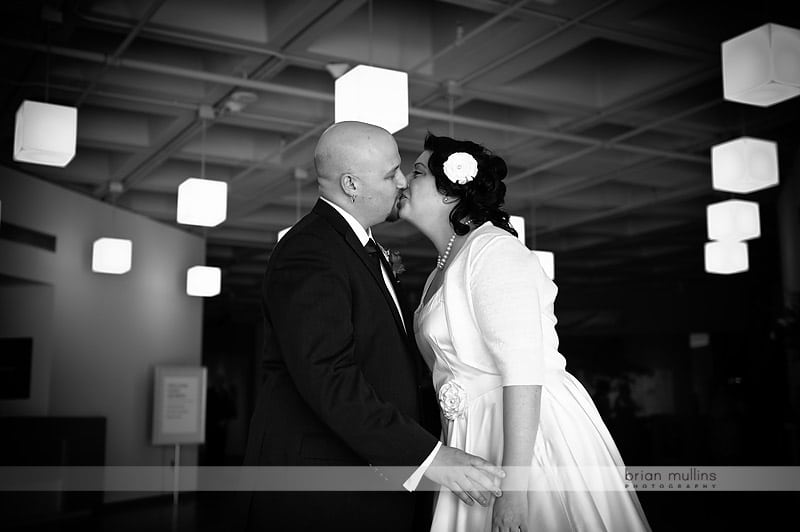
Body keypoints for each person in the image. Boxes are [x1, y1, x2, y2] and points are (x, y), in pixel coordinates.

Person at [241, 122, 506, 532]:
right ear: (351, 184)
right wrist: (430, 457)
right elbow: (328, 377)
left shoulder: (357, 246)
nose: (403, 182)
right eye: (390, 173)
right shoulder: (310, 250)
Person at [398, 132, 652, 532]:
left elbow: (522, 370)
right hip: (473, 434)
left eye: (415, 172)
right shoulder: (440, 269)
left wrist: (515, 488)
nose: (402, 180)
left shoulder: (493, 250)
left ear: (450, 193)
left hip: (522, 433)